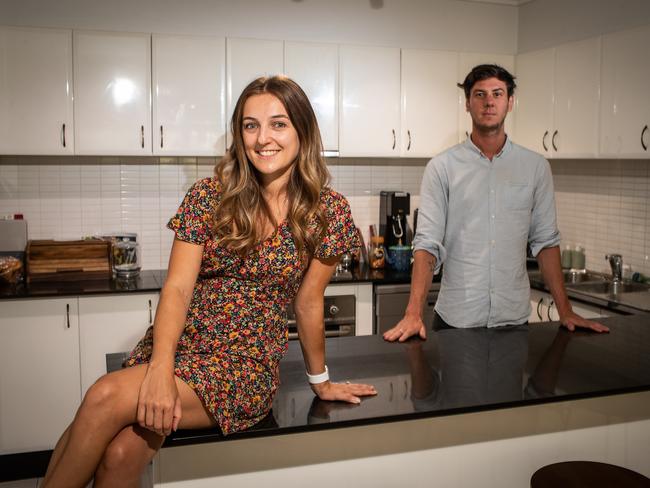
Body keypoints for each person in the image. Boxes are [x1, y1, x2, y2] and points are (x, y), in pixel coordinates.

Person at [42, 75, 376, 487]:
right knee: (118, 455)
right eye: (250, 125)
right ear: (239, 134)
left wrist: (320, 382)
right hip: (176, 347)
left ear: (302, 131)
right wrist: (160, 370)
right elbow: (179, 289)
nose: (262, 138)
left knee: (102, 396)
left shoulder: (328, 211)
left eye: (278, 123)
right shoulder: (209, 196)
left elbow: (308, 303)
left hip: (242, 364)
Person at [383, 64, 609, 343]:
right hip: (457, 319)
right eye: (479, 94)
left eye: (497, 93)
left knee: (509, 389)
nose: (489, 101)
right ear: (467, 103)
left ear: (510, 102)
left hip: (512, 319)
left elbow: (546, 242)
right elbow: (427, 244)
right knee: (456, 389)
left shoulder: (535, 168)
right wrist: (413, 313)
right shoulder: (442, 168)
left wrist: (566, 310)